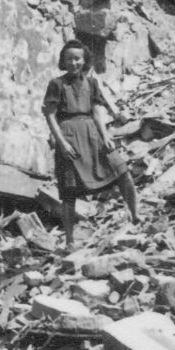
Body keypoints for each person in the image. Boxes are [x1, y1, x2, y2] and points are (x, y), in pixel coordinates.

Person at [42, 39, 138, 248]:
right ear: (63, 61)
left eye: (77, 59)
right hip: (69, 137)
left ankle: (136, 217)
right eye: (69, 59)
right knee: (69, 192)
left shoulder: (92, 83)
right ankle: (69, 240)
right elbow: (50, 115)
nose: (73, 63)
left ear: (84, 60)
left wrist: (105, 136)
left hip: (92, 135)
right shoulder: (56, 84)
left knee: (122, 171)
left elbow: (97, 111)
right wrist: (61, 143)